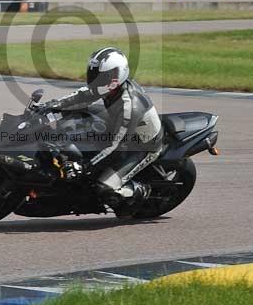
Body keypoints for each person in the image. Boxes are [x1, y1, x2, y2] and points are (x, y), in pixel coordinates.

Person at [37, 47, 163, 216]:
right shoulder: (111, 88)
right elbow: (82, 95)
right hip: (118, 127)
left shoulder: (129, 107)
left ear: (116, 76)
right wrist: (52, 105)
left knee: (103, 187)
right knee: (74, 117)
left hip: (141, 147)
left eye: (101, 76)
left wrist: (85, 166)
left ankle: (139, 191)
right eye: (93, 73)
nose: (95, 79)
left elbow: (117, 148)